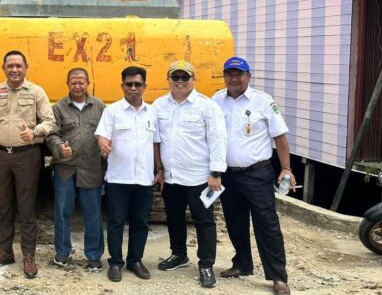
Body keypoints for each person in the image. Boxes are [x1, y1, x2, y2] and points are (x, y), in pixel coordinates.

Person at [213, 57, 293, 295]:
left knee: (267, 225)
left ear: (249, 76)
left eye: (239, 74)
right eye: (229, 74)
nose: (234, 78)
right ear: (224, 76)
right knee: (235, 222)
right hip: (228, 175)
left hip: (257, 173)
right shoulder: (216, 100)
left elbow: (279, 137)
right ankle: (242, 264)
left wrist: (286, 168)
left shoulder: (263, 101)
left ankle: (278, 276)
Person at [0, 50, 55, 279]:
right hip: (0, 155)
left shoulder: (36, 92)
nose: (14, 69)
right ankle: (4, 251)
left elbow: (50, 120)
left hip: (27, 156)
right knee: (4, 206)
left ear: (26, 67)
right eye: (10, 66)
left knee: (27, 207)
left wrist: (35, 132)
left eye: (18, 66)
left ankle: (28, 256)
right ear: (3, 68)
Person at [153, 60, 227, 289]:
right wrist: (160, 170)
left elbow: (218, 140)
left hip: (199, 177)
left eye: (185, 77)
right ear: (169, 80)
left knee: (204, 222)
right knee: (174, 218)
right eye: (176, 77)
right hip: (172, 177)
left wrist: (216, 173)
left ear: (193, 80)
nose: (180, 82)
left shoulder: (207, 106)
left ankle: (206, 264)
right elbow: (156, 141)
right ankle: (179, 255)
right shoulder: (158, 105)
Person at [95, 66, 159, 282]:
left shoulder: (153, 112)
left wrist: (160, 170)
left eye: (137, 84)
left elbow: (157, 143)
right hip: (118, 178)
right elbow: (102, 136)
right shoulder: (111, 111)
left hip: (144, 179)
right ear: (122, 86)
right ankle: (115, 263)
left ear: (144, 87)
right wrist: (103, 145)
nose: (133, 88)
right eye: (129, 84)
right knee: (115, 222)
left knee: (141, 222)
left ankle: (135, 261)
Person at [45, 68, 105, 272]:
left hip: (91, 167)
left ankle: (94, 255)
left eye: (81, 82)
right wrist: (59, 147)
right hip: (65, 169)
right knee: (62, 211)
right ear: (67, 83)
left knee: (93, 213)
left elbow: (106, 132)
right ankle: (62, 252)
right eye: (73, 82)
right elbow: (51, 134)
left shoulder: (99, 106)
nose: (77, 86)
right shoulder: (59, 107)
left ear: (88, 83)